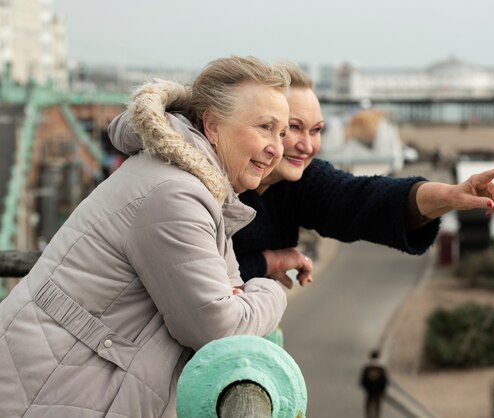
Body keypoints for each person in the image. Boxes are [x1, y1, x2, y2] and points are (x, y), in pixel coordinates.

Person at [0, 56, 290, 418]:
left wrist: (238, 297)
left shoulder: (190, 183)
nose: (277, 148)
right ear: (213, 126)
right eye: (265, 127)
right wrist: (272, 290)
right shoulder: (176, 193)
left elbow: (222, 298)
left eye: (281, 133)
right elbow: (218, 327)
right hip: (48, 391)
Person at [107, 63, 494, 289]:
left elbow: (363, 200)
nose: (305, 145)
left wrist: (450, 195)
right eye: (289, 127)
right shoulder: (190, 180)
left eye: (316, 130)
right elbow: (196, 286)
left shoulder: (292, 181)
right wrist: (267, 261)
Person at [360, 350, 388, 418]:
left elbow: (363, 380)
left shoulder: (367, 368)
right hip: (378, 391)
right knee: (378, 404)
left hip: (369, 390)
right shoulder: (381, 368)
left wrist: (366, 387)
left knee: (368, 403)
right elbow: (384, 380)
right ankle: (377, 415)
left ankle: (368, 415)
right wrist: (382, 389)